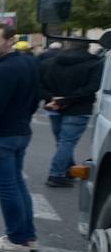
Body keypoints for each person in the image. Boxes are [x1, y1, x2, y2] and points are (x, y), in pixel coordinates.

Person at [0, 23, 42, 252]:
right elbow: (36, 98)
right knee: (17, 185)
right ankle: (27, 236)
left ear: (10, 41)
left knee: (7, 189)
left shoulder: (4, 69)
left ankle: (16, 239)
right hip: (20, 131)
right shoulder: (27, 62)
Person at [40, 42, 103, 187]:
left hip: (54, 106)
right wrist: (67, 100)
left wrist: (52, 98)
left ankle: (68, 169)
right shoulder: (94, 63)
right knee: (66, 142)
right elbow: (92, 87)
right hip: (79, 108)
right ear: (86, 48)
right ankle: (56, 174)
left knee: (62, 142)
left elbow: (39, 84)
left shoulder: (49, 62)